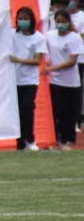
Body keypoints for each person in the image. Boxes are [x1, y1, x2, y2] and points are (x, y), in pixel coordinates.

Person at [9, 6, 46, 150]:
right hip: (14, 80)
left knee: (27, 109)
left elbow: (37, 60)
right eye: (20, 18)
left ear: (31, 20)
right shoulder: (12, 34)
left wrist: (19, 60)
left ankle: (30, 140)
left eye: (25, 18)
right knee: (17, 112)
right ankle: (20, 142)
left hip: (30, 80)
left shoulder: (38, 38)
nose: (22, 21)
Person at [46, 8, 82, 150]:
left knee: (70, 113)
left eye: (63, 22)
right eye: (58, 21)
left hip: (71, 82)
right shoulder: (49, 36)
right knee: (57, 112)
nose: (60, 24)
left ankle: (68, 140)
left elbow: (72, 61)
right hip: (54, 81)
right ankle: (57, 140)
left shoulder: (74, 38)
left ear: (68, 22)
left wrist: (52, 69)